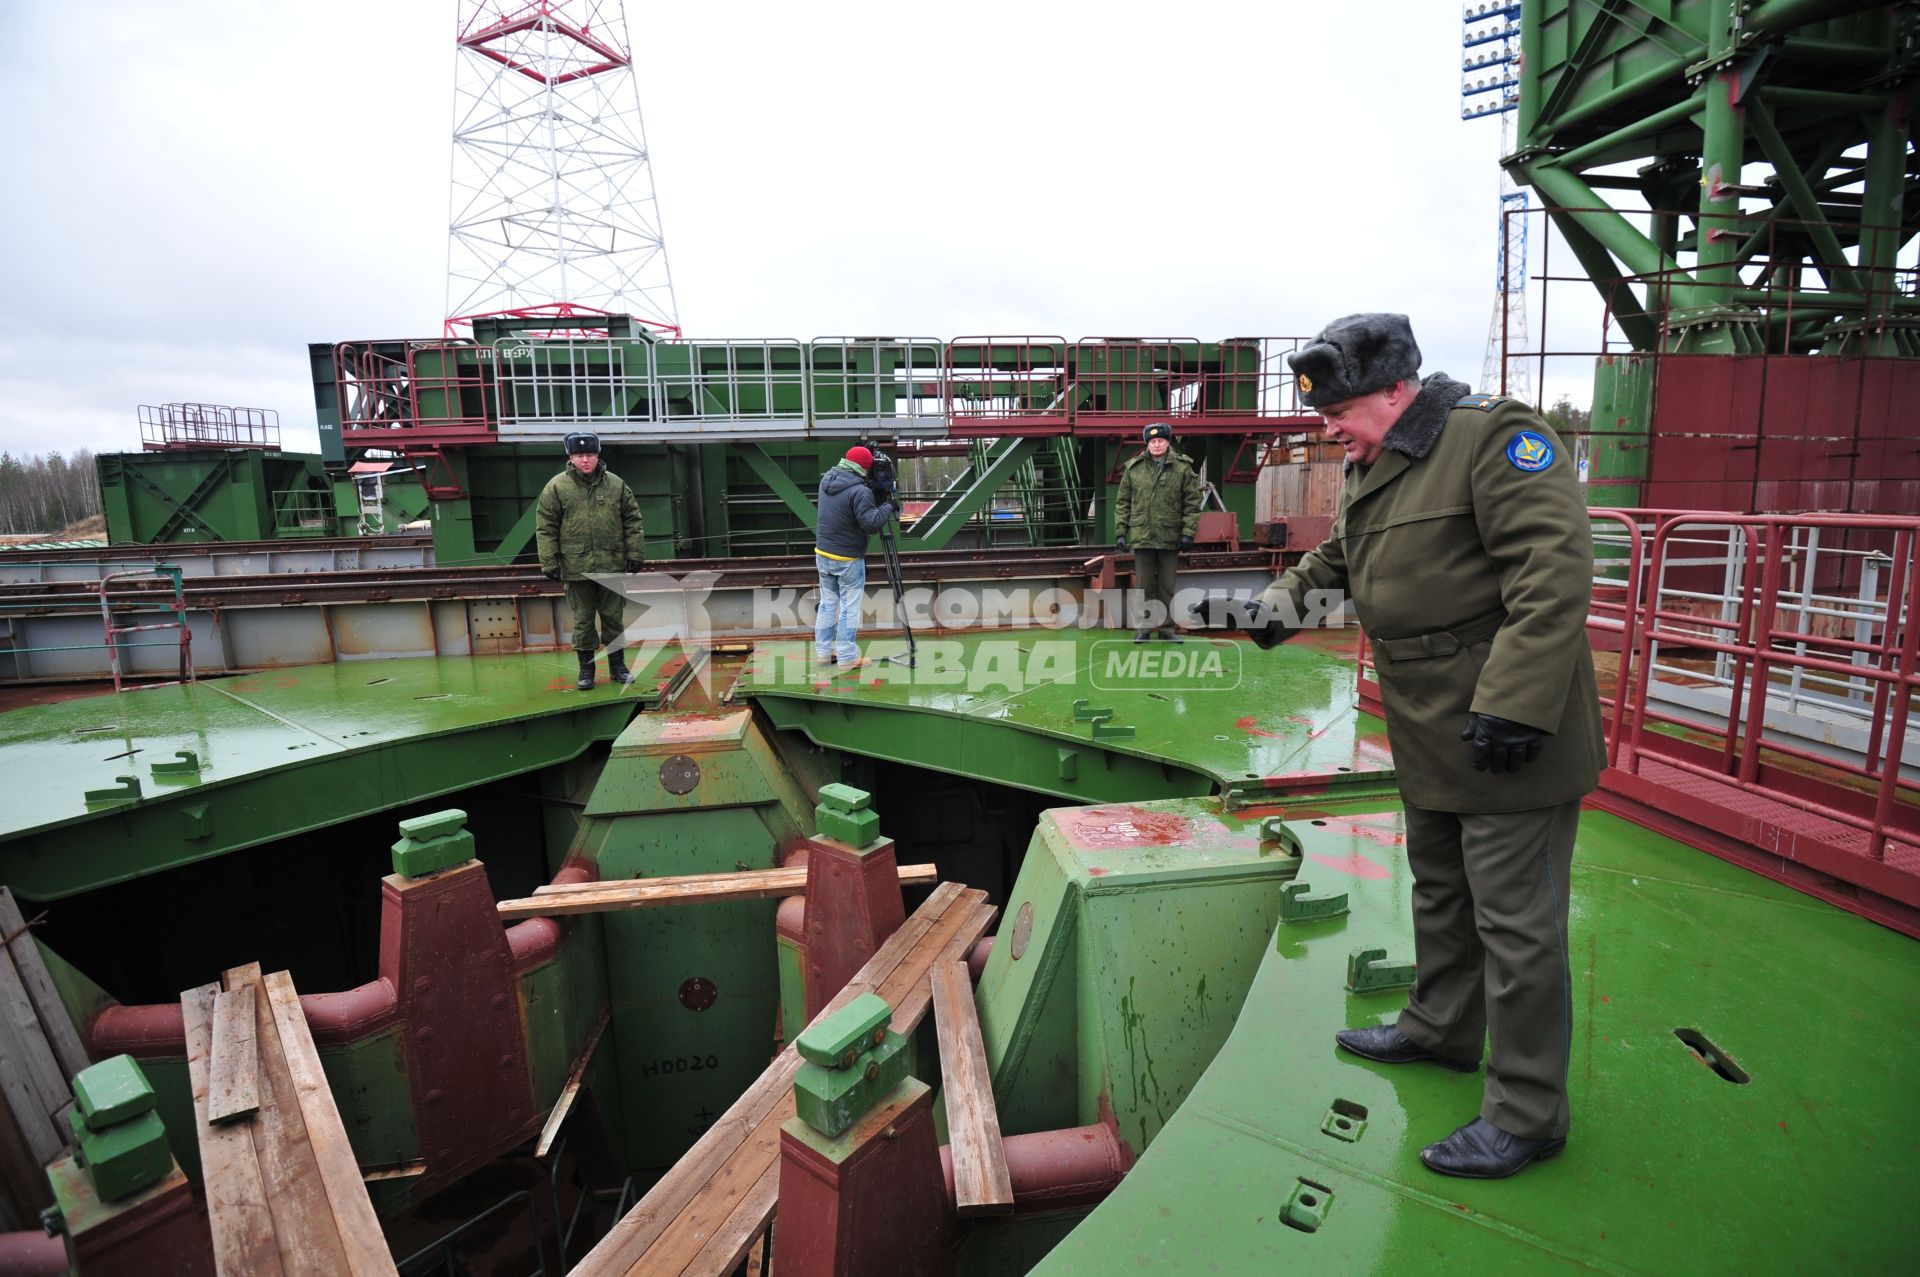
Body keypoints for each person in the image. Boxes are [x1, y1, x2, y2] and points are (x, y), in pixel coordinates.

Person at [1241, 313, 1604, 1180]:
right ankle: (1441, 1027)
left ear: (1396, 390)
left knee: (1516, 922)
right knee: (1440, 888)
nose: (1327, 424)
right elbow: (1340, 554)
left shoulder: (1494, 438)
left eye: (1341, 407)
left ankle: (1527, 1111)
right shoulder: (1375, 462)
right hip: (1430, 724)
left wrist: (1516, 704)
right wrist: (1272, 610)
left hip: (1507, 731)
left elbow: (1553, 570)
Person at [535, 431, 645, 690]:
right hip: (576, 569)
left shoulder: (616, 485)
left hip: (611, 565)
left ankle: (618, 667)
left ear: (598, 456)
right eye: (580, 455)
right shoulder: (557, 487)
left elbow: (632, 520)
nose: (586, 460)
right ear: (570, 457)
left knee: (613, 618)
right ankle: (587, 671)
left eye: (590, 455)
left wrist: (635, 554)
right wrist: (549, 562)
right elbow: (546, 526)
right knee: (583, 621)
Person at [1113, 422, 1204, 642]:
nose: (1156, 444)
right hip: (1142, 536)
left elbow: (1192, 503)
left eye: (1160, 441)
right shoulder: (1134, 469)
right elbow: (1123, 503)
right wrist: (1121, 532)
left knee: (1166, 586)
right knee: (1144, 586)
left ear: (1168, 442)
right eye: (1152, 441)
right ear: (1147, 444)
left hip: (1170, 536)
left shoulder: (1182, 468)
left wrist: (1188, 533)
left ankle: (1166, 629)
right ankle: (1144, 628)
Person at [813, 445, 896, 672]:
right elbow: (870, 524)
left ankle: (823, 652)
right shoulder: (860, 491)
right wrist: (888, 506)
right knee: (850, 607)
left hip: (823, 553)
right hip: (847, 557)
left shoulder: (827, 479)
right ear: (864, 468)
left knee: (828, 604)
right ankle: (847, 657)